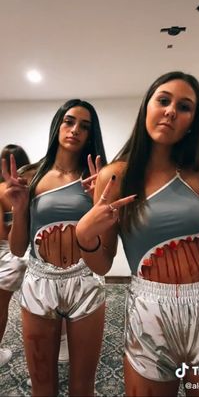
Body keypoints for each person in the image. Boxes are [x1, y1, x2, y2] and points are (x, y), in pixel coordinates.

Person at [74, 72, 199, 397]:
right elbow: (102, 264)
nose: (171, 111)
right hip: (149, 316)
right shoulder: (114, 176)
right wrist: (84, 233)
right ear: (146, 107)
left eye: (185, 106)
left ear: (193, 120)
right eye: (163, 100)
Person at [1, 99, 107, 396]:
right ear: (58, 124)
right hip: (39, 283)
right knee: (42, 386)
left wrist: (100, 202)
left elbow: (105, 253)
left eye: (84, 127)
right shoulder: (31, 174)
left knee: (82, 387)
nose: (75, 130)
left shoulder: (96, 177)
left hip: (85, 283)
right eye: (69, 121)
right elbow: (19, 248)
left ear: (91, 134)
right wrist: (20, 208)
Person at [0, 144, 30, 367]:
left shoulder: (0, 190)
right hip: (25, 255)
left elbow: (2, 233)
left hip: (8, 255)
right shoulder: (31, 187)